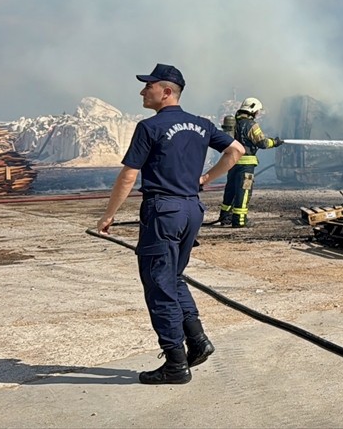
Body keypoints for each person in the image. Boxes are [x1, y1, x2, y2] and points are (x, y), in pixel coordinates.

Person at [96, 64, 244, 384]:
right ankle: (197, 340)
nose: (142, 91)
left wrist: (109, 214)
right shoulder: (202, 125)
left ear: (166, 92)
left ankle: (175, 364)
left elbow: (129, 175)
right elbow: (236, 150)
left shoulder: (150, 127)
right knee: (173, 278)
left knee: (158, 285)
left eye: (148, 86)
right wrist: (206, 178)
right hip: (191, 209)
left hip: (163, 211)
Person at [217, 97, 283, 228]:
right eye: (257, 111)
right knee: (244, 191)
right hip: (246, 165)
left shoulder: (233, 123)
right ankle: (239, 220)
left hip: (232, 162)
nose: (258, 113)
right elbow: (262, 143)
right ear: (252, 110)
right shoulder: (251, 125)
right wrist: (275, 142)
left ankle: (225, 217)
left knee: (230, 190)